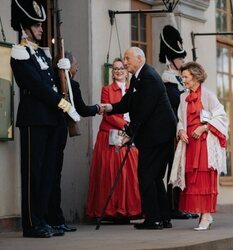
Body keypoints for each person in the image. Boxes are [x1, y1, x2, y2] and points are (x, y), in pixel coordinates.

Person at [10, 0, 80, 238]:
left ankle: (45, 219)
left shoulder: (41, 54)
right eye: (36, 26)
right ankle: (32, 223)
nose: (41, 29)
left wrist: (64, 72)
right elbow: (36, 86)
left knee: (49, 172)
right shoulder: (20, 53)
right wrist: (62, 103)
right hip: (34, 119)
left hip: (50, 119)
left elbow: (53, 83)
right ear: (26, 27)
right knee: (34, 173)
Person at [104, 47, 177, 230]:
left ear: (139, 58)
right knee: (155, 177)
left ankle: (153, 219)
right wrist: (109, 108)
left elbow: (144, 109)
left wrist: (129, 132)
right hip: (156, 134)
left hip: (158, 135)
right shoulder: (139, 76)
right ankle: (163, 218)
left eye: (127, 58)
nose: (125, 61)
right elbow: (129, 101)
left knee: (146, 176)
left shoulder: (149, 76)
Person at [46, 51, 103, 232]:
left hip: (52, 133)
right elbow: (82, 109)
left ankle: (54, 218)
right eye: (75, 64)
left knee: (52, 176)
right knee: (54, 177)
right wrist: (98, 108)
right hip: (57, 133)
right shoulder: (71, 84)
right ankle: (55, 219)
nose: (77, 68)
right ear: (67, 65)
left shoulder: (53, 81)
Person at [170, 62, 228, 231]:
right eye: (182, 77)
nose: (184, 80)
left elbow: (221, 117)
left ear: (195, 77)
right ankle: (203, 215)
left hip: (204, 144)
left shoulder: (208, 95)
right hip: (190, 144)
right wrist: (181, 131)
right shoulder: (182, 97)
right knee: (193, 181)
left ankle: (206, 216)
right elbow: (180, 119)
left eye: (186, 77)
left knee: (204, 179)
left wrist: (204, 127)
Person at [86, 58, 141, 222]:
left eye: (122, 68)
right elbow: (107, 113)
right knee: (110, 173)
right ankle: (110, 211)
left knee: (129, 173)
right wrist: (127, 125)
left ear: (126, 70)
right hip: (111, 135)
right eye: (115, 69)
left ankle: (127, 209)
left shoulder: (134, 89)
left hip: (129, 134)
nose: (118, 71)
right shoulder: (107, 89)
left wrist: (134, 126)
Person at [159, 25, 198, 220]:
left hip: (186, 129)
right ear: (171, 60)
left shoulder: (181, 81)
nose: (183, 60)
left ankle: (181, 204)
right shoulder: (167, 82)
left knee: (184, 168)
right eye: (180, 58)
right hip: (173, 130)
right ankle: (173, 207)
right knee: (174, 169)